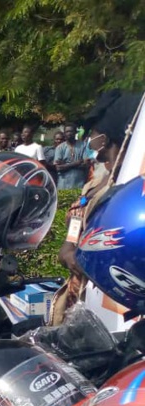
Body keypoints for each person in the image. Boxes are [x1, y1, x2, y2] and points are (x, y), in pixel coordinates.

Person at [51, 90, 141, 326]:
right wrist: (71, 251)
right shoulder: (92, 186)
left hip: (118, 311)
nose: (89, 141)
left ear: (106, 138)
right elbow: (70, 238)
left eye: (92, 134)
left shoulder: (133, 189)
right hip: (82, 303)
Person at [54, 124, 90, 190]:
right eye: (67, 132)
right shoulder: (59, 148)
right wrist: (77, 163)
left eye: (71, 131)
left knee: (80, 200)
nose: (69, 133)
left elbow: (86, 165)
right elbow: (58, 168)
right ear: (64, 133)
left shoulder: (83, 145)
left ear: (75, 132)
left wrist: (65, 165)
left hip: (79, 186)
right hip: (63, 186)